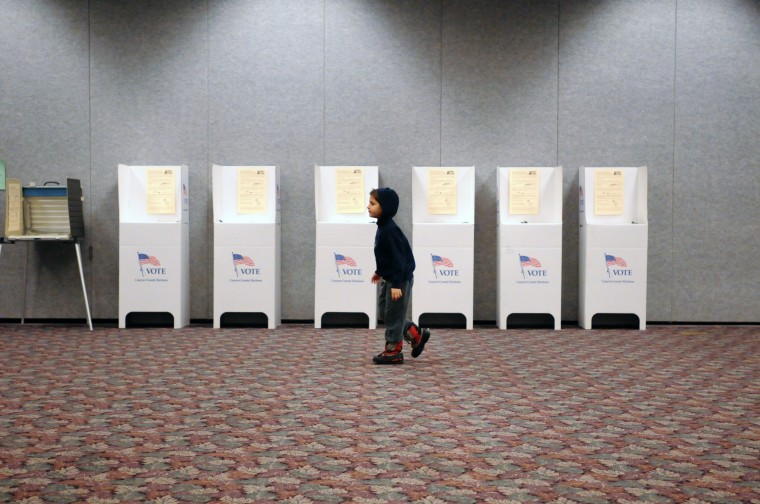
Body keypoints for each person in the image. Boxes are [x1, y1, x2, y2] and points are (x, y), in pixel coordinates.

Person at [367, 187, 431, 364]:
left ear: (385, 207)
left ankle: (393, 350)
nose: (368, 206)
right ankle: (415, 334)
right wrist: (380, 271)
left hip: (399, 279)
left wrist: (396, 284)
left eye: (372, 203)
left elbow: (399, 260)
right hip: (390, 277)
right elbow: (386, 255)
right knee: (385, 313)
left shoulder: (390, 230)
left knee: (394, 315)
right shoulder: (383, 227)